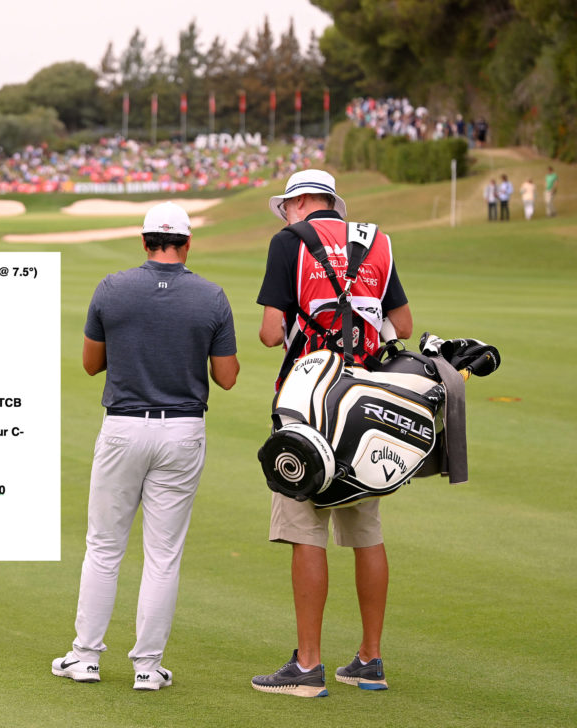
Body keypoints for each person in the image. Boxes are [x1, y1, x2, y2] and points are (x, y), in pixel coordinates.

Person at [52, 201, 239, 691]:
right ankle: (147, 668)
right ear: (187, 242)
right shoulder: (212, 296)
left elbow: (92, 365)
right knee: (163, 556)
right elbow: (227, 378)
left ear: (144, 241)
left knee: (104, 547)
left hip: (122, 428)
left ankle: (86, 657)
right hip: (182, 431)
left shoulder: (113, 288)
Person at [253, 169, 412, 698]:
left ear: (297, 205)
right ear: (333, 204)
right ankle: (370, 659)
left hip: (308, 401)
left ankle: (308, 666)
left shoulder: (288, 242)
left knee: (304, 529)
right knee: (366, 531)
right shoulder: (378, 241)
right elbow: (403, 325)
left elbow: (271, 331)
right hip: (366, 402)